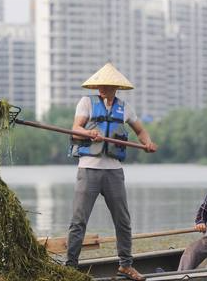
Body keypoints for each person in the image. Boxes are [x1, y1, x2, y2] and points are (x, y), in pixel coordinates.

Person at [67, 63, 157, 281]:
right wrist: (89, 133)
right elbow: (75, 129)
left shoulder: (124, 108)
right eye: (99, 85)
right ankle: (70, 268)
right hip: (89, 169)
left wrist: (147, 142)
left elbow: (140, 130)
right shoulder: (86, 102)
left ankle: (125, 265)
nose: (101, 89)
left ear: (115, 86)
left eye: (105, 85)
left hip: (114, 172)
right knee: (79, 221)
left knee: (123, 221)